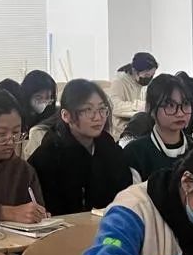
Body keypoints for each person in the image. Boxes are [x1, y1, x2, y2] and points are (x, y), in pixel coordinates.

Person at [29, 79, 133, 215]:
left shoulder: (107, 145)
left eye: (102, 109)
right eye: (88, 110)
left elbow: (124, 190)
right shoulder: (49, 155)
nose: (98, 117)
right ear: (66, 115)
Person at [0, 90, 46, 227]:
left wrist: (37, 215)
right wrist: (8, 213)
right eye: (1, 134)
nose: (11, 142)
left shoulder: (23, 171)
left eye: (16, 132)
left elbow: (36, 209)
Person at [123, 75, 193, 181]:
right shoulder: (135, 153)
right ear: (150, 108)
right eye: (170, 105)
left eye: (185, 104)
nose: (180, 113)